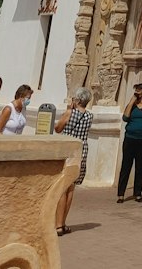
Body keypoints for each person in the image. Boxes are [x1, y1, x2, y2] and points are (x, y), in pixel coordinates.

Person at [54, 88, 94, 236]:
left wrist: (69, 109)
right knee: (71, 188)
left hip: (68, 151)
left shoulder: (70, 113)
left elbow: (58, 128)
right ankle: (63, 222)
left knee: (62, 189)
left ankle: (58, 225)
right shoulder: (90, 116)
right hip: (81, 151)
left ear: (76, 100)